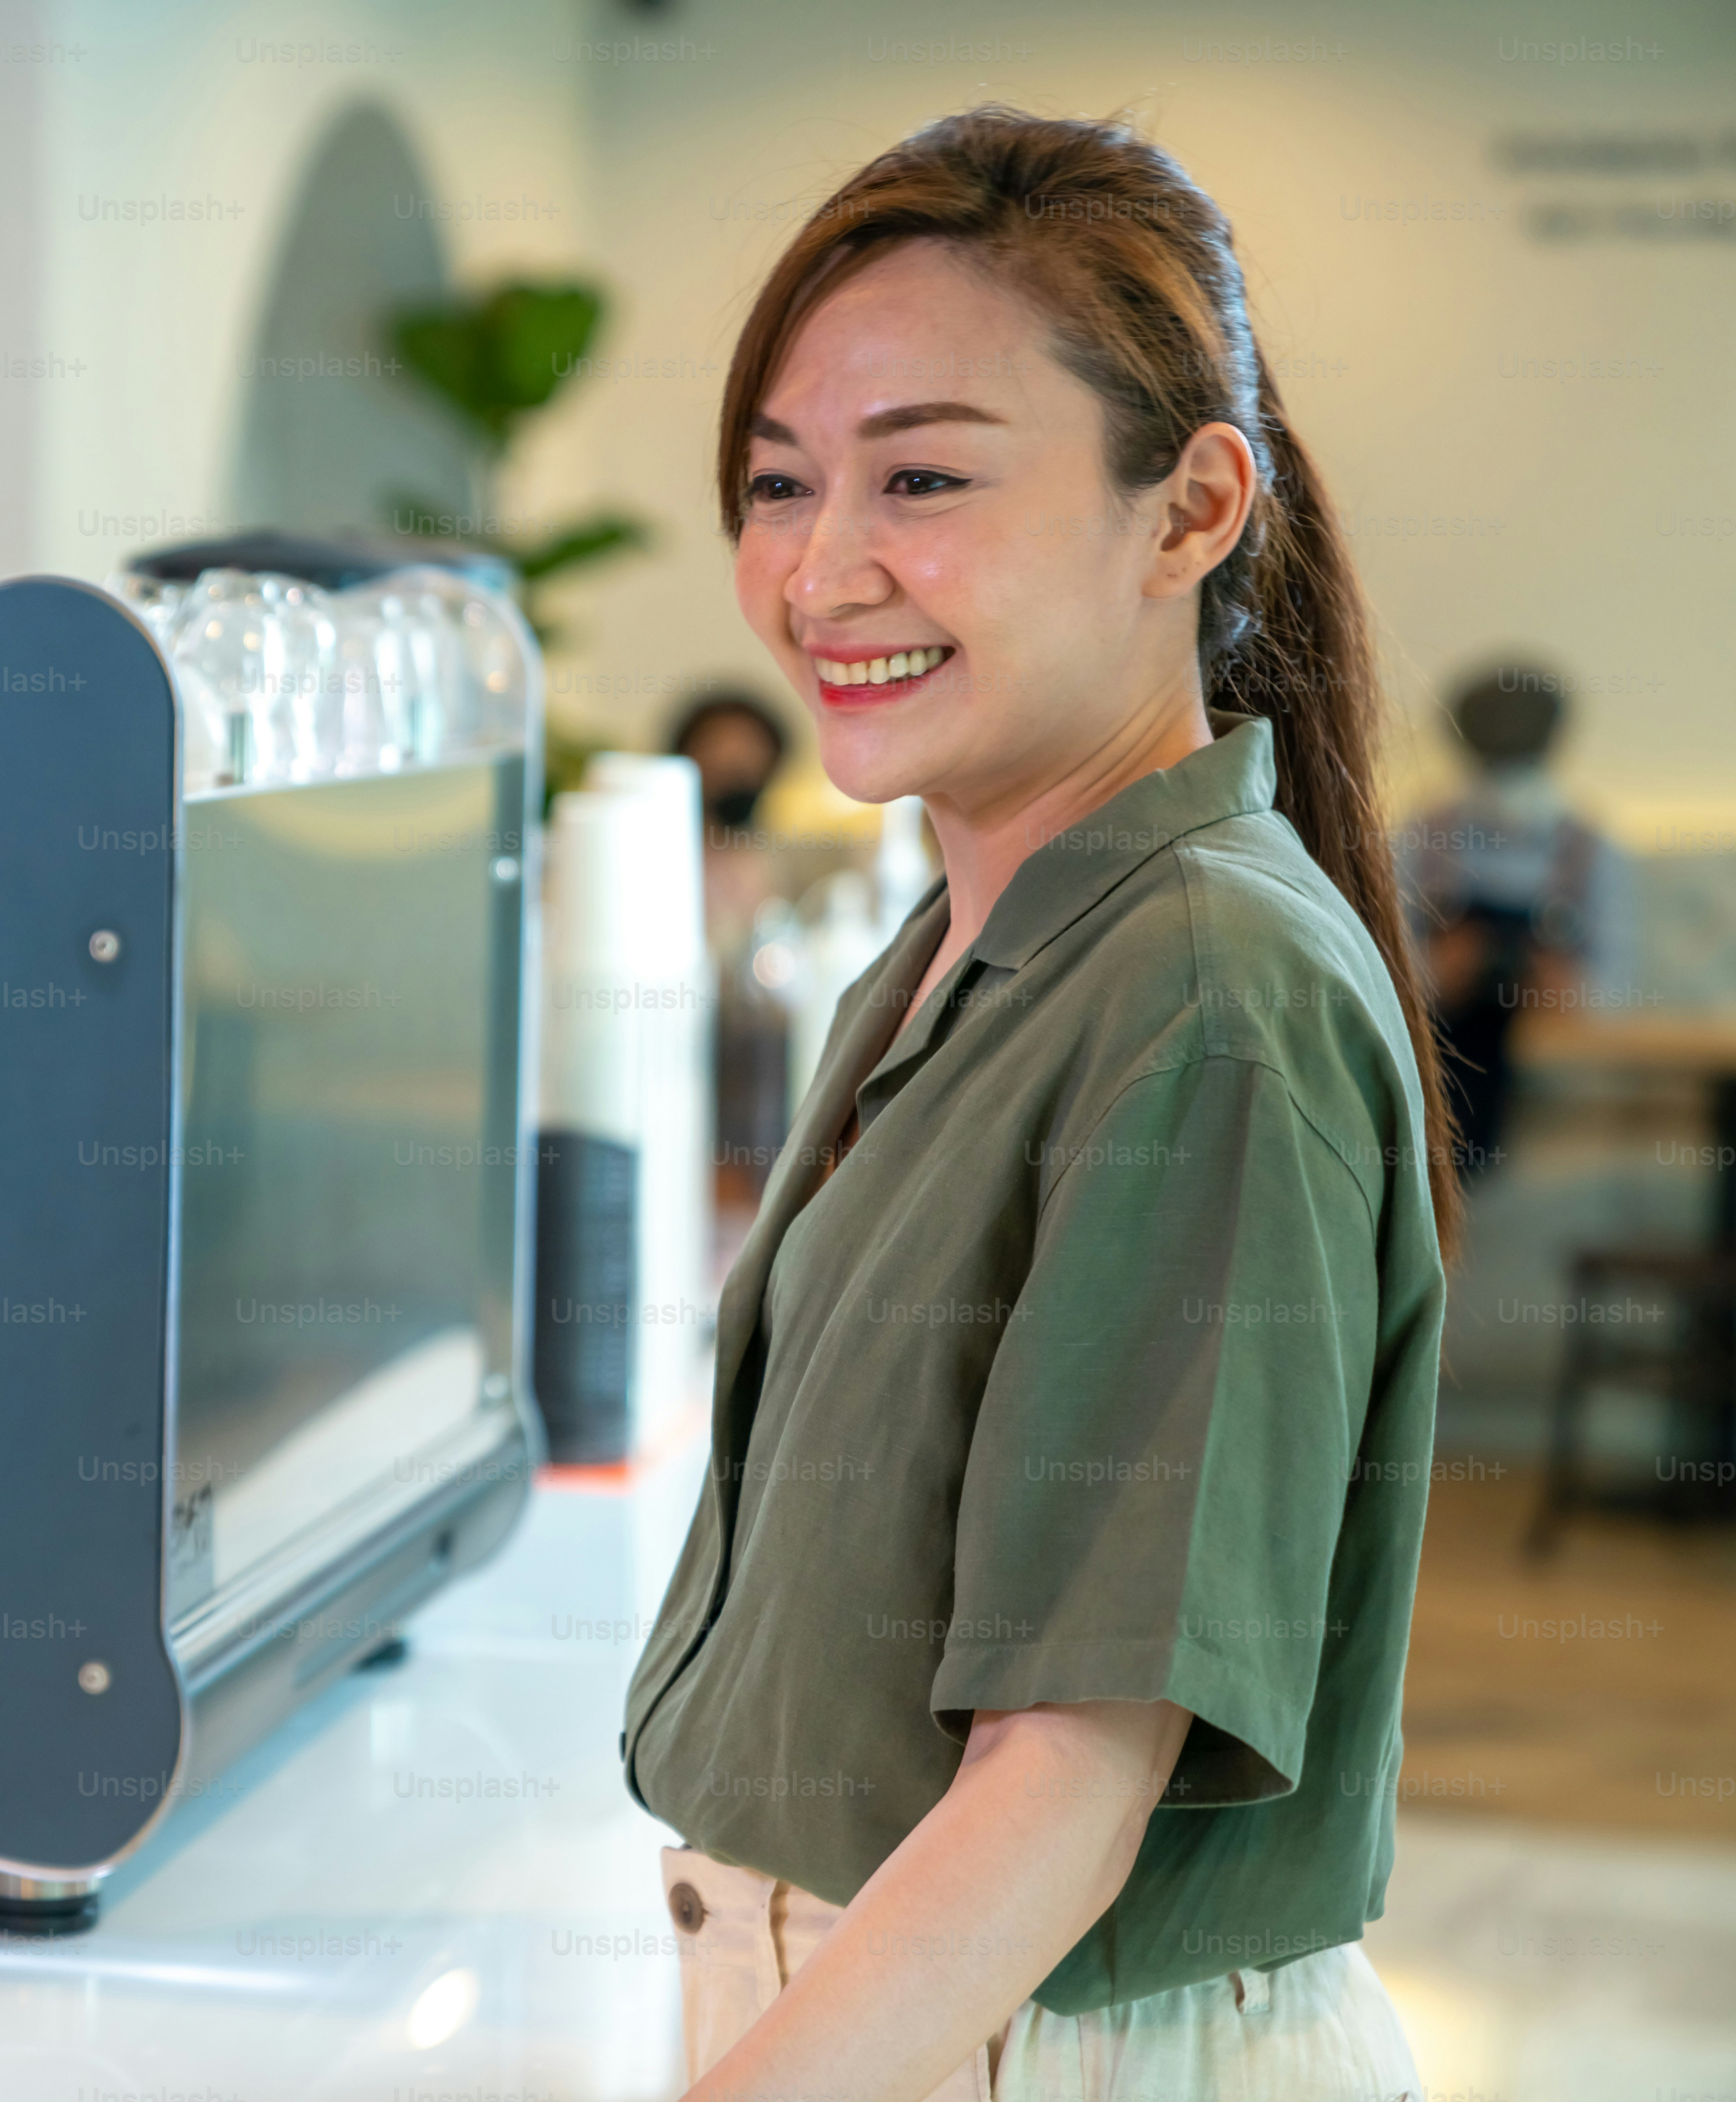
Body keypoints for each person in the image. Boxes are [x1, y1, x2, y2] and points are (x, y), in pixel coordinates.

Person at [619, 108, 1457, 2099]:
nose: (822, 570)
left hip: (1031, 2034)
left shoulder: (1203, 991)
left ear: (1190, 509)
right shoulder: (963, 945)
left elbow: (1064, 1780)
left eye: (922, 474)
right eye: (777, 481)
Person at [1399, 661, 1633, 1186]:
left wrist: (1564, 989)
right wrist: (1441, 970)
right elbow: (1380, 969)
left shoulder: (1591, 850)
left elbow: (1617, 987)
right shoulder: (1421, 836)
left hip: (1539, 1052)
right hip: (1446, 1043)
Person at [670, 684, 798, 1210]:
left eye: (749, 759)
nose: (735, 771)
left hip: (755, 1096)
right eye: (719, 755)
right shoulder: (663, 864)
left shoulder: (780, 869)